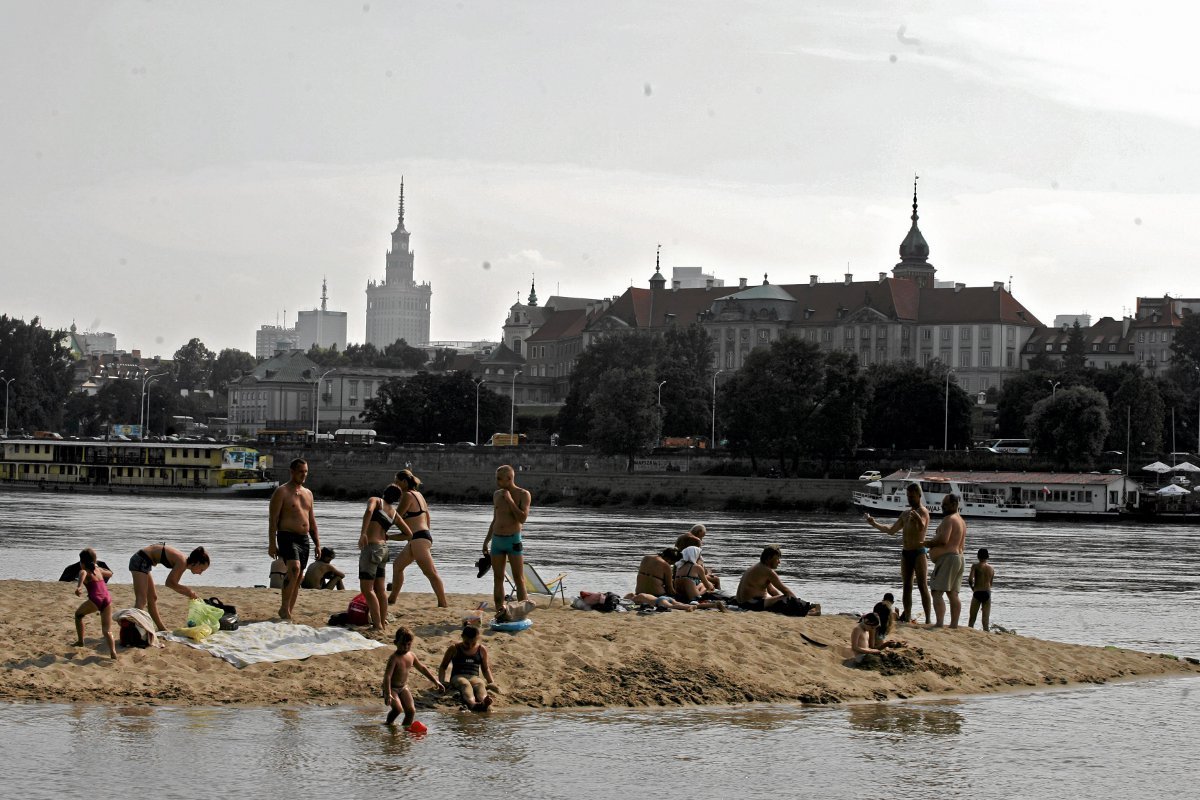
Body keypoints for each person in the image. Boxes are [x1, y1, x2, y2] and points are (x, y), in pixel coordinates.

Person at [863, 482, 932, 624]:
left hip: (919, 552)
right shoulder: (905, 513)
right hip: (906, 553)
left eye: (912, 496)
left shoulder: (923, 511)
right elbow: (891, 530)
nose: (910, 499)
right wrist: (874, 524)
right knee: (907, 586)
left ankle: (929, 619)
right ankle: (907, 617)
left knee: (922, 585)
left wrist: (918, 518)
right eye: (908, 496)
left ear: (919, 496)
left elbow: (922, 527)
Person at [387, 469, 449, 608]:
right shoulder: (419, 494)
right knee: (397, 566)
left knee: (430, 573)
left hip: (419, 538)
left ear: (404, 482)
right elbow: (427, 517)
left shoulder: (407, 495)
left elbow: (397, 517)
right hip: (420, 537)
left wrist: (381, 523)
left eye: (397, 482)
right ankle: (392, 599)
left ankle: (443, 603)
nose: (395, 484)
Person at [268, 458, 320, 621]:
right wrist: (271, 543)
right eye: (300, 471)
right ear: (292, 472)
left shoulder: (308, 493)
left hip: (304, 538)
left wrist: (318, 544)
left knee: (299, 576)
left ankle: (288, 610)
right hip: (286, 536)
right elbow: (273, 519)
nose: (303, 475)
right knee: (294, 568)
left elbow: (311, 521)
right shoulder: (281, 491)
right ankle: (284, 607)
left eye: (305, 472)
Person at [359, 485, 410, 630]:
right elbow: (409, 534)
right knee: (380, 590)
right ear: (397, 499)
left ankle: (377, 625)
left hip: (371, 548)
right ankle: (381, 620)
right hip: (383, 549)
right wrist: (389, 537)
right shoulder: (393, 513)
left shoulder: (375, 500)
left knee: (367, 589)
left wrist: (363, 533)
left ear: (384, 492)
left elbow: (369, 511)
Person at [128, 543, 210, 633]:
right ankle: (131, 631)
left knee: (152, 598)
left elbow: (173, 583)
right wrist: (189, 592)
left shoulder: (183, 562)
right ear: (197, 563)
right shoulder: (182, 562)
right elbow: (169, 583)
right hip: (140, 560)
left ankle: (161, 628)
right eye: (201, 569)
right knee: (141, 600)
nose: (200, 573)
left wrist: (188, 592)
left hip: (145, 562)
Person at [482, 465, 531, 613]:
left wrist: (510, 500)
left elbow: (522, 519)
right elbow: (494, 519)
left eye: (499, 479)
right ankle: (500, 609)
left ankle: (522, 610)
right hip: (497, 540)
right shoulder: (496, 494)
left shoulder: (523, 494)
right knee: (498, 578)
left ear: (509, 478)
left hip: (513, 540)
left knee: (519, 578)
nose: (496, 481)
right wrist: (486, 541)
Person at [382, 626, 443, 728]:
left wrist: (435, 681)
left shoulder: (411, 655)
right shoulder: (394, 658)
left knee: (411, 711)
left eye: (408, 644)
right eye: (403, 644)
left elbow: (422, 668)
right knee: (398, 709)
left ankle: (406, 730)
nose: (405, 647)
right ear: (395, 643)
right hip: (392, 688)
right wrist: (388, 693)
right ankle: (389, 724)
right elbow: (387, 676)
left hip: (403, 688)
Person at [734, 545, 819, 616]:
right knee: (787, 598)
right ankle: (808, 610)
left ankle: (806, 608)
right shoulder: (768, 571)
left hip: (743, 603)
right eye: (777, 559)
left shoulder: (759, 567)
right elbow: (786, 591)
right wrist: (796, 603)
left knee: (783, 600)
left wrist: (783, 601)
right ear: (768, 559)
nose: (779, 562)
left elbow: (771, 590)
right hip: (751, 604)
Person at [925, 494, 968, 628]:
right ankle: (954, 624)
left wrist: (927, 543)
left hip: (948, 559)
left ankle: (939, 623)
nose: (942, 507)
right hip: (959, 558)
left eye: (945, 505)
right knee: (953, 593)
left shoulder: (949, 519)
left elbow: (943, 540)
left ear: (954, 505)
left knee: (936, 591)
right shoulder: (961, 521)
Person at [438, 624, 495, 712]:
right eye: (467, 643)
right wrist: (441, 682)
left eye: (473, 643)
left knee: (480, 684)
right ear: (462, 637)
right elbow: (443, 667)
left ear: (478, 639)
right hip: (458, 676)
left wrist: (491, 682)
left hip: (474, 677)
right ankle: (473, 704)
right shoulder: (454, 648)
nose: (470, 646)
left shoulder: (481, 649)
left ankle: (484, 701)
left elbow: (485, 669)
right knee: (465, 684)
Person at [73, 548, 116, 659]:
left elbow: (82, 575)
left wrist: (79, 587)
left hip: (95, 600)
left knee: (78, 615)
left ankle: (80, 641)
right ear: (94, 561)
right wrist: (98, 567)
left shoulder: (84, 571)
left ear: (82, 562)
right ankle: (113, 653)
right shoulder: (98, 570)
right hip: (107, 600)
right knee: (107, 630)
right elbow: (110, 574)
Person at [674, 524, 721, 589]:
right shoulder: (696, 541)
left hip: (678, 570)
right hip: (691, 573)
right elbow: (697, 561)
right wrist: (706, 573)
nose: (702, 539)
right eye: (702, 536)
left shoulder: (680, 538)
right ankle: (719, 595)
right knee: (716, 579)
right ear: (699, 531)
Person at [968, 547, 995, 631]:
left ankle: (970, 630)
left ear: (978, 556)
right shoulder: (991, 568)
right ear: (987, 557)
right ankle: (986, 632)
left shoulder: (975, 566)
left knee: (972, 617)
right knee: (985, 619)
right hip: (987, 593)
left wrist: (973, 588)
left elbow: (970, 579)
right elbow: (991, 584)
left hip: (977, 592)